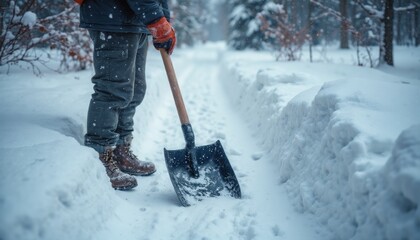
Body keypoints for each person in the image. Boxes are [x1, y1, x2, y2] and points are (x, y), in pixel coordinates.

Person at [79, 0, 176, 190]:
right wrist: (156, 19)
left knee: (135, 90)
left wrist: (163, 20)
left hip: (137, 19)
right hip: (113, 15)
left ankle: (120, 150)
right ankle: (101, 153)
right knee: (112, 89)